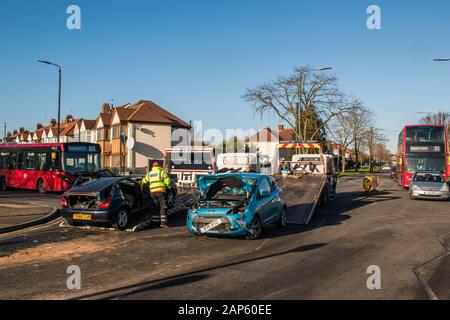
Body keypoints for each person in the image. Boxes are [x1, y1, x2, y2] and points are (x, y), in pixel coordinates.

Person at [142, 162, 172, 228]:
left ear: (153, 166)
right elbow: (168, 182)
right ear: (159, 166)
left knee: (155, 207)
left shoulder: (149, 174)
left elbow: (144, 181)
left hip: (152, 193)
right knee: (163, 207)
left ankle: (155, 223)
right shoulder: (162, 172)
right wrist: (169, 188)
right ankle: (163, 223)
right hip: (161, 192)